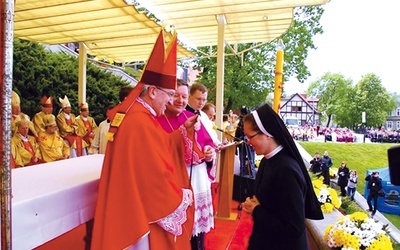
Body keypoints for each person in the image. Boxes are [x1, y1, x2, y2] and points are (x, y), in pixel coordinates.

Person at [91, 30, 195, 250]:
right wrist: (179, 197)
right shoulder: (140, 121)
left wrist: (180, 133)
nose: (169, 102)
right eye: (168, 94)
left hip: (128, 198)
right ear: (154, 91)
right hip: (136, 211)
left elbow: (152, 151)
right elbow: (154, 175)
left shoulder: (135, 114)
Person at [241, 103, 323, 250]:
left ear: (266, 134)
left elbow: (293, 227)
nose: (247, 142)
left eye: (249, 136)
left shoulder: (286, 170)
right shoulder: (269, 159)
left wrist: (257, 210)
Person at [158, 79, 216, 250]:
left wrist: (209, 153)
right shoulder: (158, 119)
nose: (180, 100)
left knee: (197, 235)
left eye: (183, 96)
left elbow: (209, 143)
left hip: (197, 182)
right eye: (175, 95)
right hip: (175, 182)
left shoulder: (191, 117)